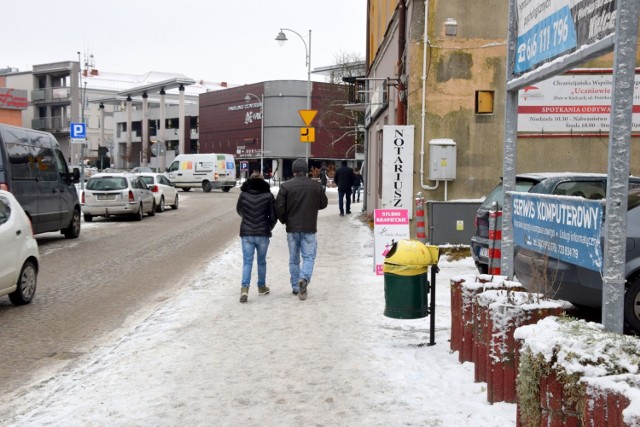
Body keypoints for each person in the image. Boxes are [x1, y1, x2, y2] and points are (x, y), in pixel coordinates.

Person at [275, 158, 328, 300]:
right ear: (306, 171)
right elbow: (323, 203)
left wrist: (285, 220)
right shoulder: (315, 186)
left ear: (294, 171)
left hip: (292, 228)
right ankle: (304, 278)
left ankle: (295, 286)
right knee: (309, 257)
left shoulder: (286, 186)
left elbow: (279, 207)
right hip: (310, 227)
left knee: (293, 259)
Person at [236, 172, 278, 303]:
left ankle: (244, 289)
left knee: (247, 262)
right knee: (261, 261)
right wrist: (268, 227)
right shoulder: (268, 195)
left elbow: (239, 210)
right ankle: (261, 287)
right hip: (262, 234)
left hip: (247, 233)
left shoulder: (243, 195)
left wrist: (247, 218)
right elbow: (273, 215)